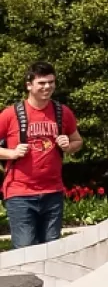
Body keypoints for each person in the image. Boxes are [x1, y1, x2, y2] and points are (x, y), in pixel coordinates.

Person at [0, 63, 81, 248]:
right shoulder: (11, 114)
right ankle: (24, 278)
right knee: (25, 249)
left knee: (51, 249)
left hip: (53, 191)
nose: (47, 87)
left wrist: (69, 146)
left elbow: (78, 141)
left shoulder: (62, 112)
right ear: (29, 85)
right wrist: (11, 153)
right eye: (42, 83)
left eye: (51, 82)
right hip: (20, 193)